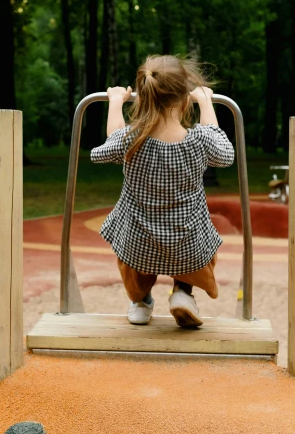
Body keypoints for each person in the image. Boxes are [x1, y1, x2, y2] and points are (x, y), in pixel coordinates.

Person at [90, 54, 234, 328]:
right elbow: (225, 154)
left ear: (142, 99)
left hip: (138, 248)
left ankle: (140, 301)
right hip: (188, 249)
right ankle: (183, 292)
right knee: (199, 228)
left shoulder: (131, 141)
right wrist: (205, 102)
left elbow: (103, 151)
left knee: (129, 238)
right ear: (183, 100)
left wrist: (116, 103)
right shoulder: (199, 141)